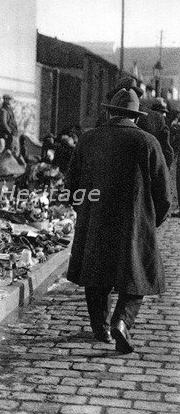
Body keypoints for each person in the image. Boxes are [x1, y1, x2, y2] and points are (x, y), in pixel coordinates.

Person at [66, 88, 171, 354]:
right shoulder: (148, 142)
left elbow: (72, 186)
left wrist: (86, 212)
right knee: (138, 276)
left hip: (96, 220)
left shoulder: (88, 140)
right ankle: (122, 322)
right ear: (135, 117)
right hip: (134, 223)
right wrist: (150, 223)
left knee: (96, 273)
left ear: (109, 112)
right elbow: (164, 195)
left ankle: (100, 328)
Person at [101, 77, 174, 168]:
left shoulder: (104, 117)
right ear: (138, 95)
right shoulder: (157, 118)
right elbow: (167, 154)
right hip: (144, 178)